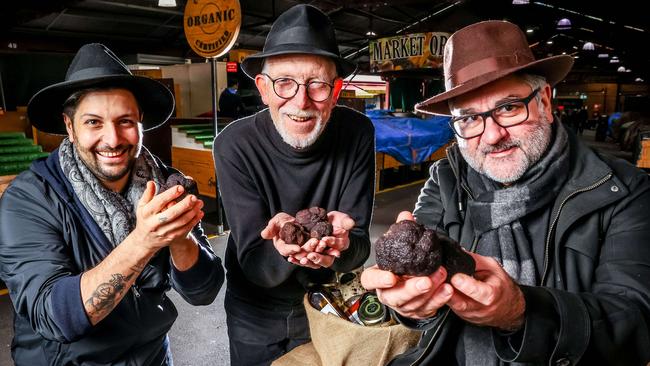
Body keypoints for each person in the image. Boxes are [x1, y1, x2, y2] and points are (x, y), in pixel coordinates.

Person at [361, 20, 650, 366]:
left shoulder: (623, 189)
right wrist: (410, 304)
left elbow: (636, 321)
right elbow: (423, 298)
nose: (492, 135)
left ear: (544, 99)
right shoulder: (446, 180)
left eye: (508, 108)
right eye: (468, 119)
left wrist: (522, 314)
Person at [0, 43, 224, 365]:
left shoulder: (166, 184)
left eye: (125, 121)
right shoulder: (28, 200)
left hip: (153, 357)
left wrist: (180, 238)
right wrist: (145, 241)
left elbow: (204, 291)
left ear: (141, 122)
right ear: (69, 127)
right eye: (93, 122)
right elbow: (54, 317)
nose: (113, 139)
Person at [212, 4, 375, 365]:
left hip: (331, 306)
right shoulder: (234, 145)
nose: (301, 102)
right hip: (255, 315)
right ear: (263, 89)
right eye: (284, 82)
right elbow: (256, 264)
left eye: (317, 84)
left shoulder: (357, 133)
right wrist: (286, 247)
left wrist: (343, 245)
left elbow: (359, 247)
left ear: (335, 92)